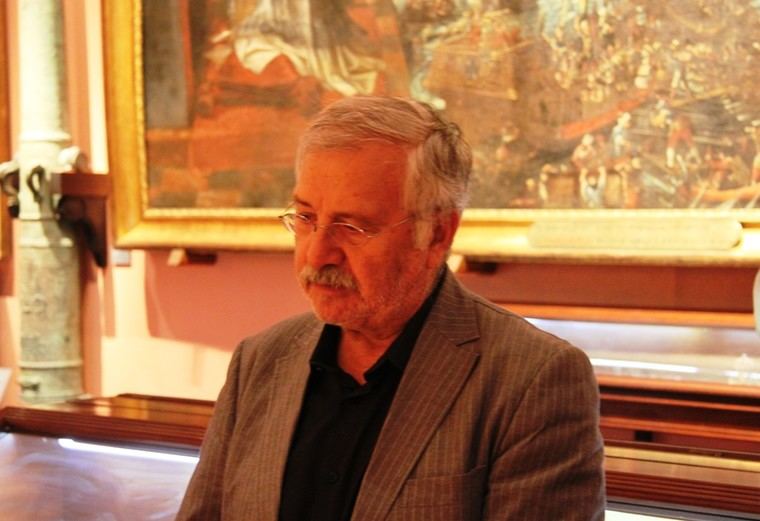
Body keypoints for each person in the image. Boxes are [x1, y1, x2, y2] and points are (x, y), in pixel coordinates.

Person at [176, 96, 606, 520]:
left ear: (436, 233)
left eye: (352, 227)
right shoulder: (259, 361)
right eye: (306, 218)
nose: (318, 254)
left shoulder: (531, 379)